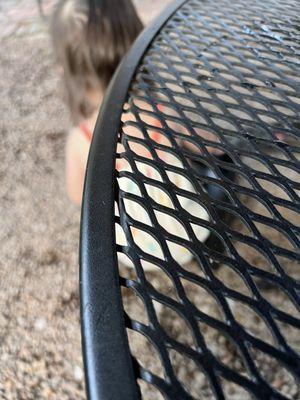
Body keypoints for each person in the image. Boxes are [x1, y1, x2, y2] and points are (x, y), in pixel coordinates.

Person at [51, 0, 143, 205]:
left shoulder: (81, 140)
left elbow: (77, 197)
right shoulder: (158, 109)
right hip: (193, 226)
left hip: (132, 236)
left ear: (64, 69)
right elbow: (204, 146)